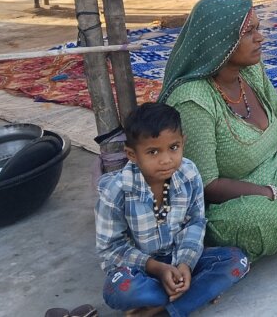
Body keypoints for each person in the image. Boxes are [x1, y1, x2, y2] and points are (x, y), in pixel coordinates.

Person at [160, 0, 277, 261]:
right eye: (249, 32)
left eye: (258, 29)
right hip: (237, 201)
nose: (260, 38)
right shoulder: (193, 100)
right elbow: (208, 185)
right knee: (257, 217)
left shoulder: (251, 71)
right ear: (221, 41)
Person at [96, 103, 248, 317]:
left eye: (174, 147)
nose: (166, 160)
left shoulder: (188, 173)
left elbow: (195, 222)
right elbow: (110, 248)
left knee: (238, 261)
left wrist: (185, 264)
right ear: (132, 154)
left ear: (183, 142)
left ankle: (162, 309)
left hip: (180, 259)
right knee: (119, 290)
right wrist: (157, 268)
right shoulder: (116, 191)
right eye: (153, 152)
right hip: (142, 270)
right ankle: (194, 294)